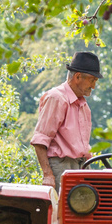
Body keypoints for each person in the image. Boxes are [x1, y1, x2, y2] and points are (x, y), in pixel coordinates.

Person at [31, 51, 101, 190]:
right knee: (64, 210)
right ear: (78, 76)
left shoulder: (84, 106)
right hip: (61, 166)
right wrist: (48, 175)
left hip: (81, 167)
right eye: (92, 80)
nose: (93, 86)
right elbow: (40, 140)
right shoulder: (56, 98)